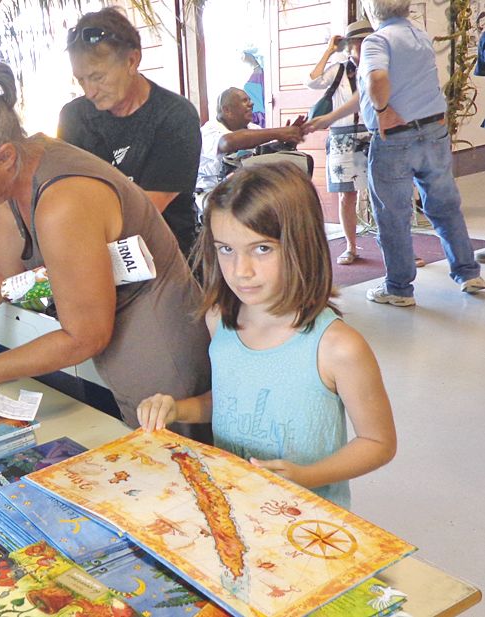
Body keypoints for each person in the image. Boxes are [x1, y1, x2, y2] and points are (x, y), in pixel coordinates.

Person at [0, 63, 211, 433]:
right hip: (118, 331)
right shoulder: (12, 173)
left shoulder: (63, 202)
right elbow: (1, 272)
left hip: (158, 345)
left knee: (175, 462)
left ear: (4, 157)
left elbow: (86, 335)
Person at [137, 164, 397, 509]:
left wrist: (306, 476)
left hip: (308, 521)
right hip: (235, 507)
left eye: (262, 249)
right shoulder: (221, 320)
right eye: (226, 249)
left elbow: (378, 442)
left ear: (301, 244)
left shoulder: (338, 348)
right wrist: (176, 409)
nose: (241, 270)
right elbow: (233, 402)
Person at [307, 0, 484, 304]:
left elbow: (377, 81)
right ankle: (468, 273)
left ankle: (399, 289)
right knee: (444, 205)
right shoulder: (420, 35)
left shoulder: (378, 40)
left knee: (392, 215)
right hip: (433, 132)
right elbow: (377, 88)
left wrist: (383, 111)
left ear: (374, 11)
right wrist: (328, 119)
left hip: (396, 139)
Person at [57, 8, 202, 257]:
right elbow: (65, 194)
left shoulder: (175, 116)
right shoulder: (74, 117)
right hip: (97, 254)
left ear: (132, 61)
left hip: (165, 257)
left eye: (97, 77)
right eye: (81, 80)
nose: (90, 91)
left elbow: (144, 212)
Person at [307, 20, 374, 265]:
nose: (363, 47)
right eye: (359, 42)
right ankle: (351, 246)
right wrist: (328, 50)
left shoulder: (378, 67)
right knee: (347, 194)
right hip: (342, 135)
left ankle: (396, 247)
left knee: (382, 192)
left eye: (367, 41)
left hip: (371, 133)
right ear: (349, 45)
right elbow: (312, 80)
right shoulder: (338, 69)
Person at [196, 88, 304, 195]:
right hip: (213, 194)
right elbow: (228, 142)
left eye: (250, 100)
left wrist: (287, 142)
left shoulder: (254, 128)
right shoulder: (208, 131)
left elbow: (267, 156)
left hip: (245, 191)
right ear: (227, 110)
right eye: (244, 101)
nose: (251, 104)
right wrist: (278, 132)